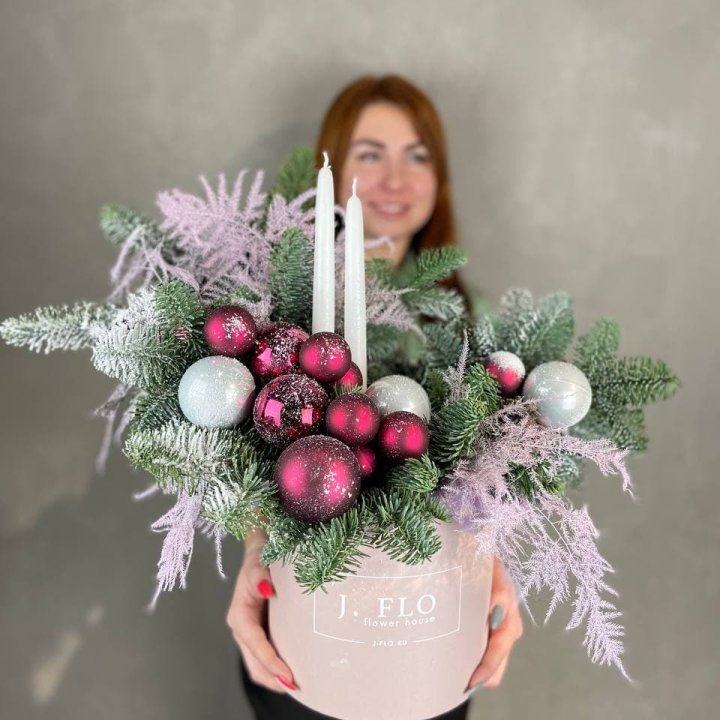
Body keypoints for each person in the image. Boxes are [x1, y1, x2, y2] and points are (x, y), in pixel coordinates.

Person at [227, 75, 523, 720]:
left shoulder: (476, 324)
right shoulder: (284, 315)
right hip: (308, 631)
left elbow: (502, 469)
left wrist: (495, 565)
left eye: (417, 155)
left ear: (439, 178)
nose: (394, 179)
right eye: (369, 154)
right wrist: (256, 554)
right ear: (334, 171)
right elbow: (236, 448)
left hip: (429, 643)